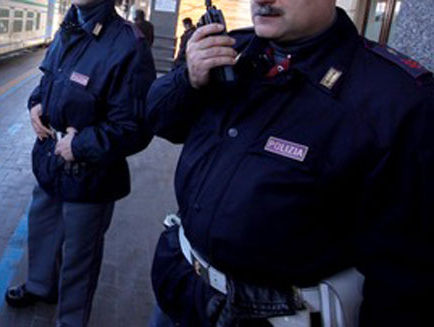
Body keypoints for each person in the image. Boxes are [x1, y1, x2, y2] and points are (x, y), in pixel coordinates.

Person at [146, 0, 433, 326]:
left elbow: (404, 280)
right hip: (180, 292)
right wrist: (189, 80)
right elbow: (159, 121)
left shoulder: (395, 101)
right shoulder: (230, 51)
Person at [4, 0, 156, 326]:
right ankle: (40, 285)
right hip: (51, 155)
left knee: (79, 256)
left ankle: (71, 320)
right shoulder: (70, 26)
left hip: (91, 171)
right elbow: (49, 81)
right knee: (42, 225)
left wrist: (81, 145)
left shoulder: (128, 44)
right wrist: (36, 104)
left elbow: (136, 128)